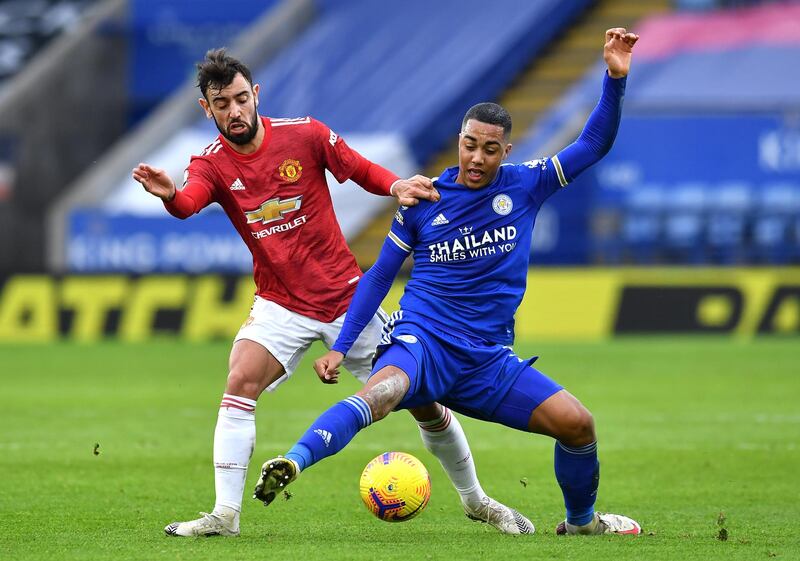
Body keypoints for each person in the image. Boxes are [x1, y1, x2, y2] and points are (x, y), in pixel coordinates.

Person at [253, 28, 642, 536]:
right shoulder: (424, 200)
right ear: (459, 140)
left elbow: (593, 143)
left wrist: (614, 78)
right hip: (423, 343)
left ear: (506, 150)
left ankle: (582, 525)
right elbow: (377, 279)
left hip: (486, 360)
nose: (477, 159)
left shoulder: (528, 184)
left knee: (578, 425)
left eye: (490, 150)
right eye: (469, 145)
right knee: (383, 392)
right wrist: (340, 346)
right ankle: (294, 463)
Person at [133, 48, 531, 537]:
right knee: (239, 381)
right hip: (281, 302)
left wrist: (396, 187)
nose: (234, 111)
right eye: (222, 104)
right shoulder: (210, 164)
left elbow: (358, 167)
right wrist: (171, 195)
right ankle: (225, 515)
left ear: (255, 95)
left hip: (348, 300)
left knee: (425, 400)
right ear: (207, 110)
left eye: (240, 99)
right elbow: (190, 202)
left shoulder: (305, 134)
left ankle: (477, 501)